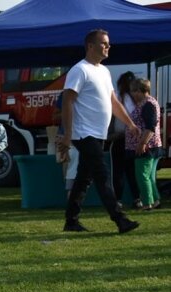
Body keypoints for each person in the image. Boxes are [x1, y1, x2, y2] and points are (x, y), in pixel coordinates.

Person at [59, 29, 139, 234]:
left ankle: (71, 220)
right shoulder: (79, 70)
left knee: (84, 178)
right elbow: (67, 102)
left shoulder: (103, 71)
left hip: (97, 133)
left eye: (108, 43)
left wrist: (130, 124)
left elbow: (113, 102)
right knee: (102, 174)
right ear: (90, 46)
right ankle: (119, 219)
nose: (108, 47)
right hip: (83, 133)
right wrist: (67, 136)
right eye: (103, 43)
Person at [127, 78, 163, 210]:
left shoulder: (148, 104)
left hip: (147, 147)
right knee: (149, 176)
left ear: (142, 90)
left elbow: (150, 127)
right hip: (152, 146)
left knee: (142, 175)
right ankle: (155, 200)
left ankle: (148, 203)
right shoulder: (147, 103)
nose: (132, 94)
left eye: (134, 91)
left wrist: (142, 143)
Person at [112, 72, 142, 209]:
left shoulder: (120, 98)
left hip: (121, 138)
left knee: (118, 171)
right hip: (135, 139)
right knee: (132, 171)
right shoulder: (137, 101)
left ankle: (118, 200)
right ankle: (137, 198)